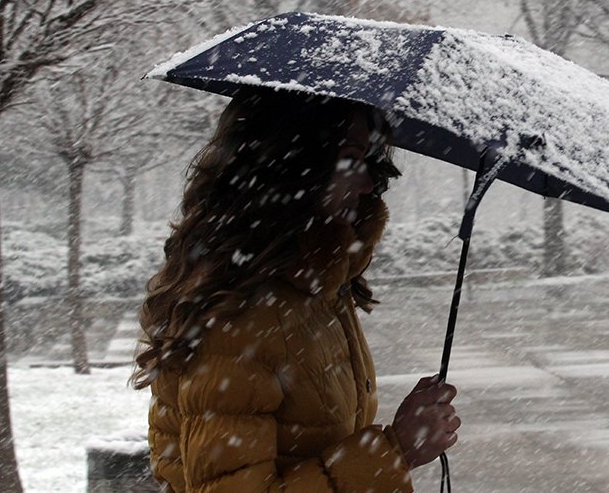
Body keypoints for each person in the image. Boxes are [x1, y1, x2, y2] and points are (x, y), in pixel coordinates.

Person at [131, 90, 459, 492]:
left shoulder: (313, 291)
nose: (370, 182)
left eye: (371, 163)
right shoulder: (241, 318)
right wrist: (395, 452)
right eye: (352, 160)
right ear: (293, 164)